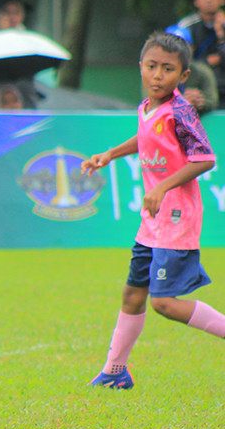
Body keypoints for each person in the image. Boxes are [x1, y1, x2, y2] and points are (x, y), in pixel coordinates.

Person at [82, 31, 225, 390]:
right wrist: (110, 154)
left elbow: (205, 158)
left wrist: (161, 186)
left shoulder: (181, 111)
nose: (158, 75)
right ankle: (115, 372)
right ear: (141, 68)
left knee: (164, 303)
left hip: (177, 218)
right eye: (152, 66)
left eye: (168, 69)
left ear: (183, 76)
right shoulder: (147, 108)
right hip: (154, 220)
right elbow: (145, 139)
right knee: (132, 294)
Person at [174, 0, 225, 109]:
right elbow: (179, 62)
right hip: (198, 93)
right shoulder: (186, 26)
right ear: (196, 0)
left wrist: (221, 36)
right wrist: (210, 61)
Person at [165, 24, 219, 115]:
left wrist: (200, 101)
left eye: (184, 46)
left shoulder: (202, 71)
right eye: (172, 47)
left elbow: (213, 101)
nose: (179, 51)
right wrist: (181, 102)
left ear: (192, 49)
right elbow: (151, 105)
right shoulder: (154, 74)